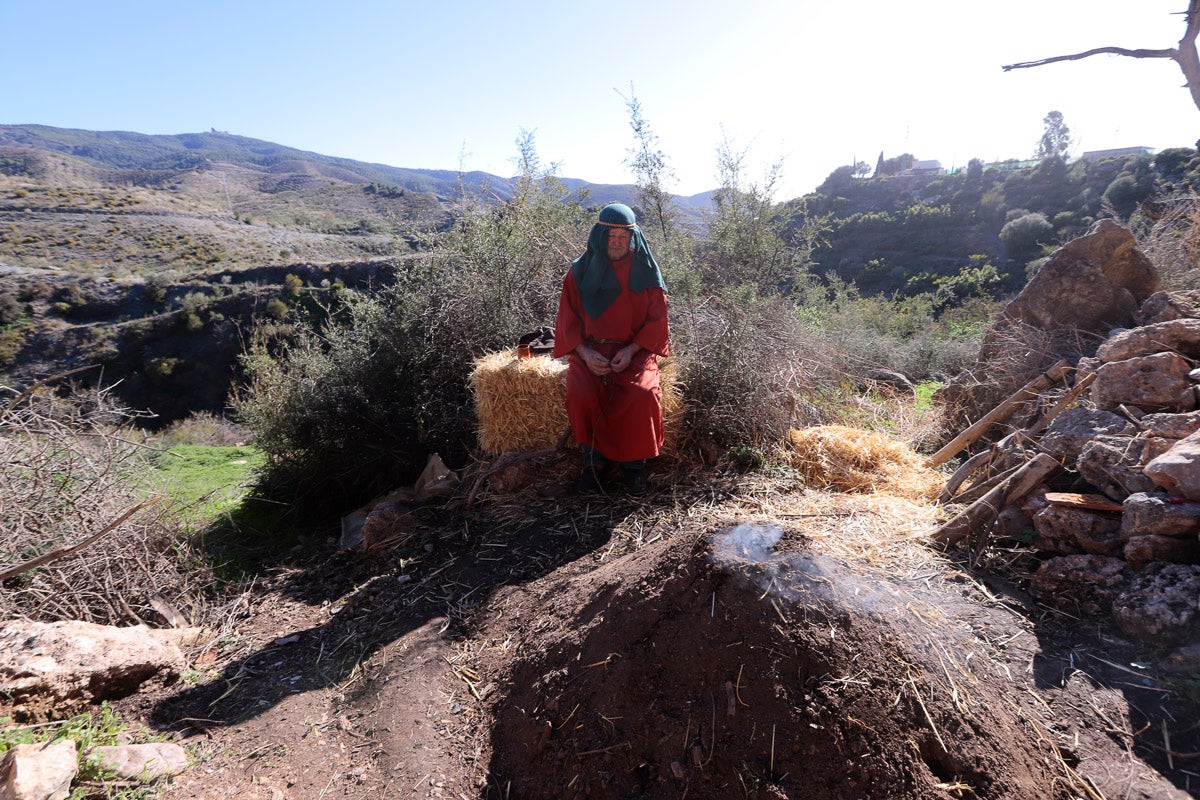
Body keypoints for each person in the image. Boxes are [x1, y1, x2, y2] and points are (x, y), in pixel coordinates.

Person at [553, 203, 669, 494]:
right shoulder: (578, 272)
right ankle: (595, 464)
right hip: (589, 351)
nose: (617, 242)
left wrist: (631, 351)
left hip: (635, 352)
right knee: (580, 394)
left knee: (642, 395)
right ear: (599, 236)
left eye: (623, 237)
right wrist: (584, 352)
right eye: (611, 236)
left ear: (633, 238)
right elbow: (567, 319)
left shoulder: (645, 272)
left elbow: (657, 320)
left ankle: (635, 468)